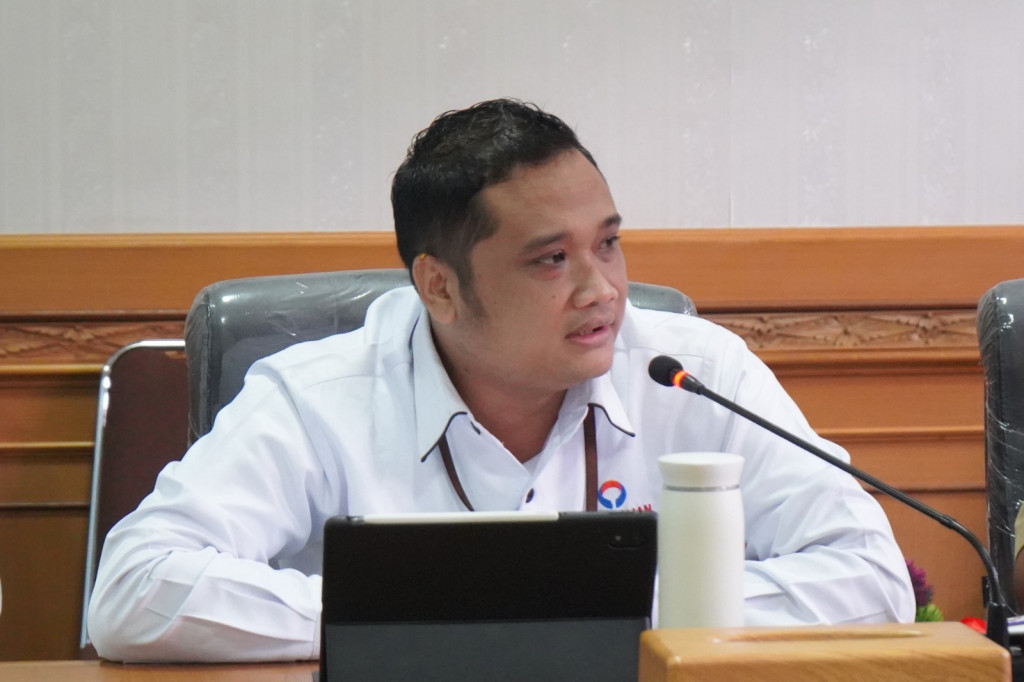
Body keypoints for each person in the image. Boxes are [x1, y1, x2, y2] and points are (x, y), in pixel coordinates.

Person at [88, 98, 914, 662]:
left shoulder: (695, 373)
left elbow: (872, 579)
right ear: (439, 286)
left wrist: (618, 614)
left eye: (608, 244)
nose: (602, 290)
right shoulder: (317, 397)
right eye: (551, 259)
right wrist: (410, 616)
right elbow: (133, 589)